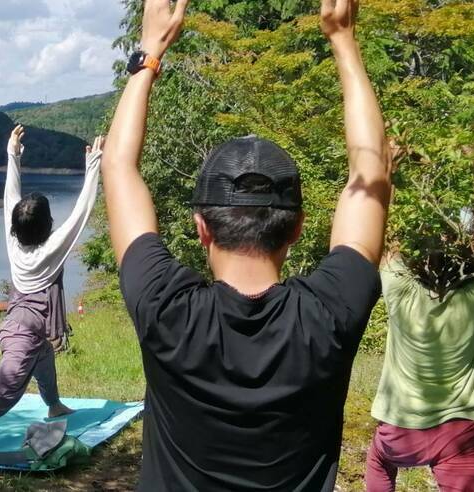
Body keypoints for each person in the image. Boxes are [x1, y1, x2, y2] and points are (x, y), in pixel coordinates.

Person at [99, 0, 392, 489]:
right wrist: (343, 39)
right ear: (296, 228)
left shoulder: (166, 308)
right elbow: (373, 174)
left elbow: (117, 167)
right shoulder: (329, 314)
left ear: (201, 227)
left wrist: (149, 55)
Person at [0, 126, 104, 451]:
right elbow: (80, 215)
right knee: (6, 391)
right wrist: (93, 166)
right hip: (21, 333)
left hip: (27, 330)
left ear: (15, 228)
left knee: (45, 361)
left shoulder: (13, 241)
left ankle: (54, 405)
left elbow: (11, 198)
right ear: (48, 225)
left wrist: (13, 155)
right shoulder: (50, 252)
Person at [365, 241, 474, 490]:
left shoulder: (401, 291)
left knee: (378, 462)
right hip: (459, 430)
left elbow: (390, 245)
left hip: (401, 430)